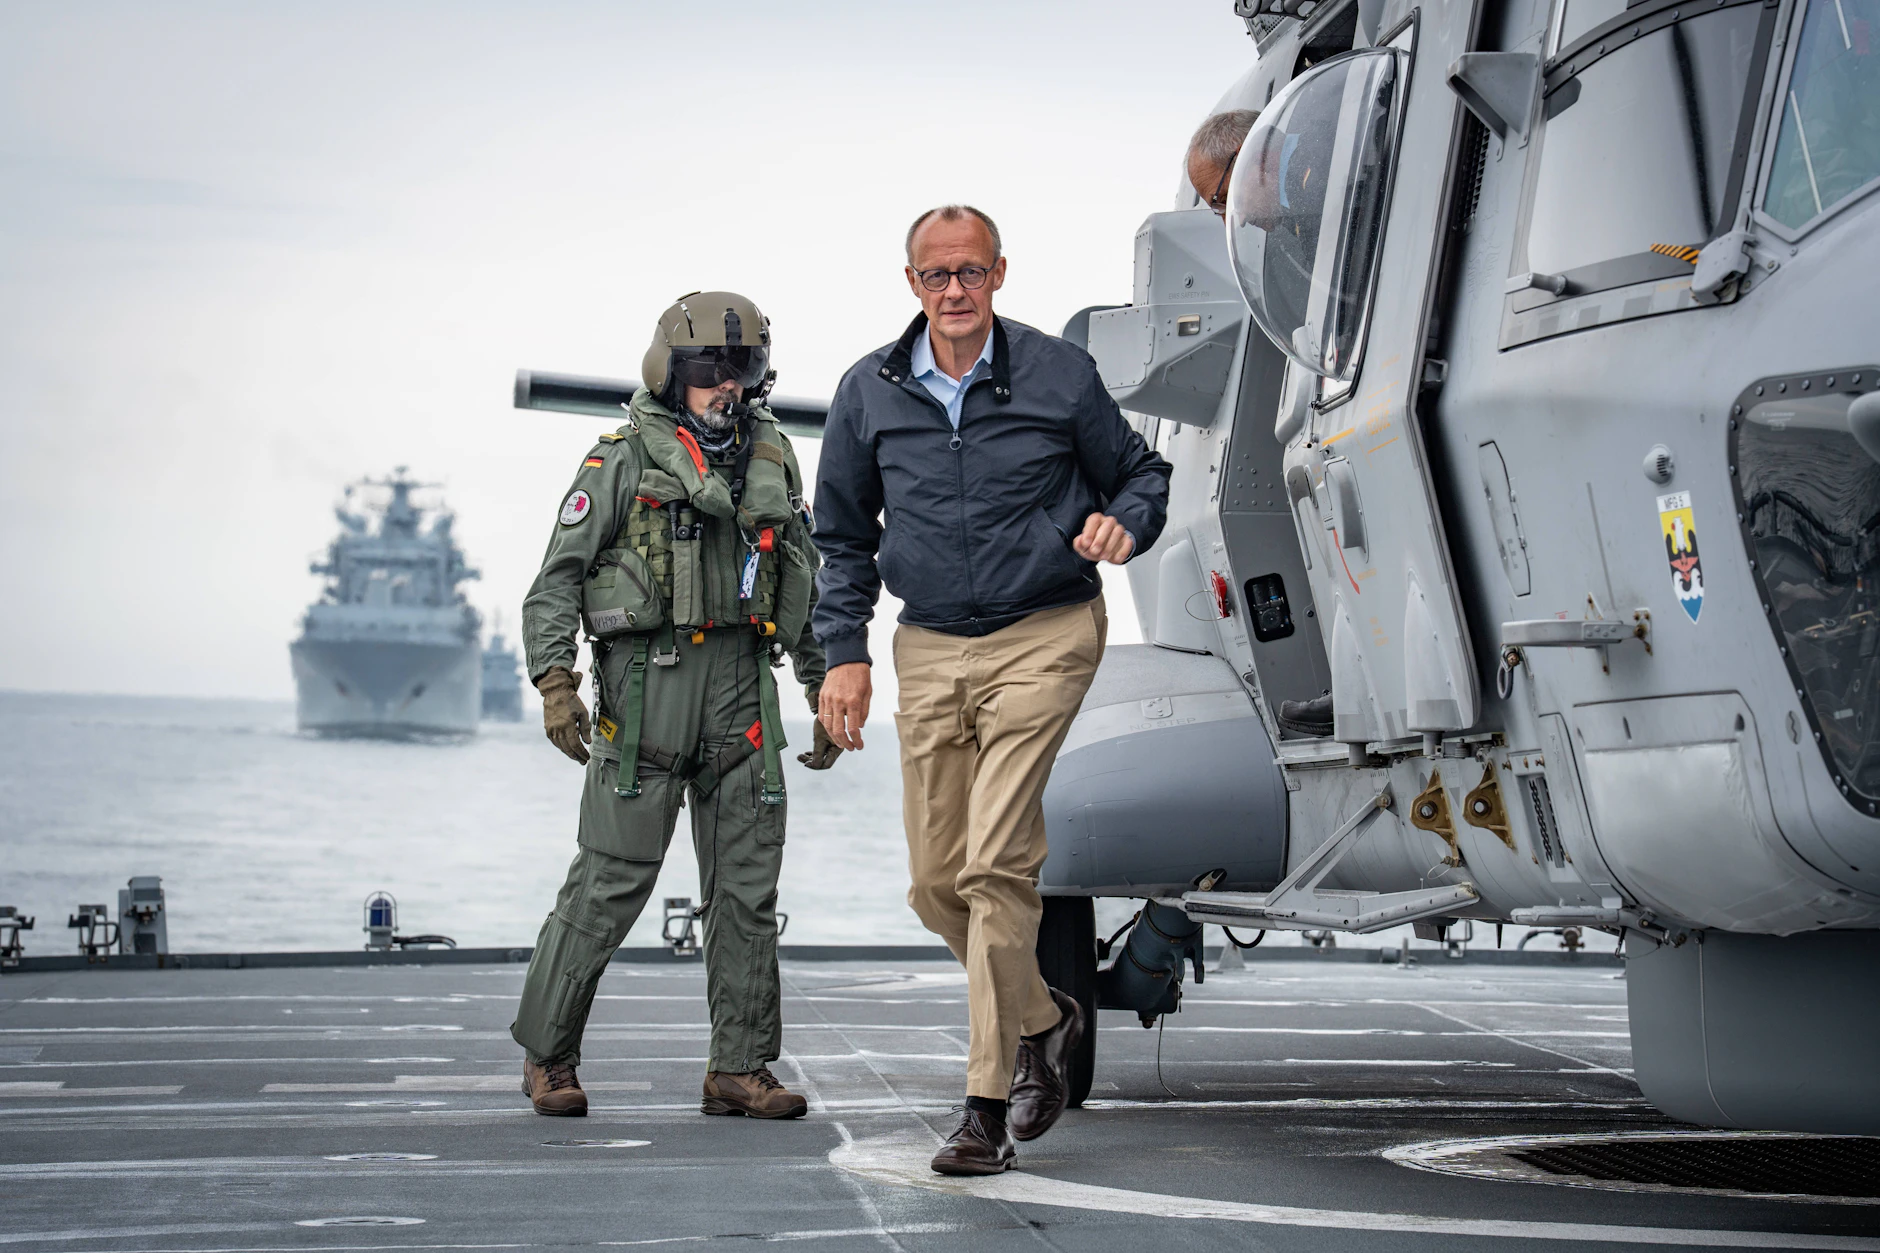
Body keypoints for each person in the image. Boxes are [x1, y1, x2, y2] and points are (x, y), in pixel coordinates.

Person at [812, 206, 1172, 1175]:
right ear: (911, 284)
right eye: (936, 275)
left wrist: (1121, 524)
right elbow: (840, 536)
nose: (954, 290)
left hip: (1044, 632)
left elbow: (1141, 471)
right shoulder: (867, 391)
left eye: (970, 271)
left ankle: (981, 1106)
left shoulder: (1057, 372)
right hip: (927, 644)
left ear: (1000, 274)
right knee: (935, 883)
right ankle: (1046, 1016)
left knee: (994, 866)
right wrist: (841, 650)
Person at [511, 291, 836, 1120]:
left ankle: (740, 1065)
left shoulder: (772, 461)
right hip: (646, 700)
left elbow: (799, 574)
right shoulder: (619, 460)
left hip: (742, 701)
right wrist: (557, 681)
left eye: (742, 371)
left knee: (746, 894)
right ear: (672, 375)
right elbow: (557, 581)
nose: (725, 388)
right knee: (608, 885)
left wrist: (821, 680)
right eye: (707, 373)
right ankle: (549, 1054)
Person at [1188, 109, 1335, 739]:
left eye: (1222, 196)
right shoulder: (1301, 217)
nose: (1226, 217)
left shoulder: (1322, 195)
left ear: (1259, 159)